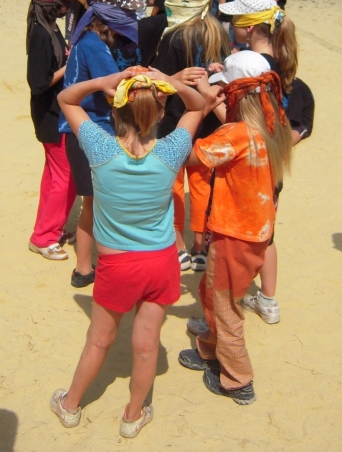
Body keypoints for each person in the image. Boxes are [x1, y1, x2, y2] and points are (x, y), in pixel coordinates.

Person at [51, 68, 218, 437]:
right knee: (146, 347)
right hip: (160, 262)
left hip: (117, 265)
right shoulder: (171, 151)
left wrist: (101, 82)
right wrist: (169, 80)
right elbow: (197, 106)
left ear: (115, 110)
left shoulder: (100, 148)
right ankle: (132, 416)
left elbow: (66, 98)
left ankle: (70, 404)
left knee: (99, 340)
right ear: (160, 113)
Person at [187, 0, 312, 331]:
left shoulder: (255, 67)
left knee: (230, 248)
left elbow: (240, 124)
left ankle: (221, 316)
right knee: (265, 235)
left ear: (251, 27)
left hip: (246, 173)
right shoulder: (275, 66)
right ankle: (267, 300)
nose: (230, 25)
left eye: (235, 20)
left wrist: (208, 95)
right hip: (269, 170)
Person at [177, 52, 293, 404]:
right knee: (213, 293)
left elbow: (183, 155)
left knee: (225, 308)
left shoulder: (234, 134)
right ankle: (209, 350)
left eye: (225, 91)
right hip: (255, 235)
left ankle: (238, 380)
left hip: (233, 236)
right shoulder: (272, 123)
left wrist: (199, 107)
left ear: (237, 94)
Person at [59, 0, 144, 287]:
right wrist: (167, 81)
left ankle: (85, 268)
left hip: (83, 131)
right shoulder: (95, 46)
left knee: (93, 204)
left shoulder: (88, 40)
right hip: (91, 132)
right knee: (99, 205)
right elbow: (117, 90)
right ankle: (93, 267)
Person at [153, 0, 230, 271]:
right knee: (201, 186)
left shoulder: (174, 36)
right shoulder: (218, 32)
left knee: (172, 186)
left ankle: (178, 247)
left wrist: (173, 78)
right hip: (209, 123)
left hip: (175, 122)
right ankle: (200, 247)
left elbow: (158, 82)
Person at [26, 0, 83, 260]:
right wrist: (68, 66)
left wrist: (66, 57)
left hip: (54, 110)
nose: (69, 3)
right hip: (50, 114)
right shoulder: (41, 34)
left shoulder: (51, 27)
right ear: (51, 5)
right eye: (64, 0)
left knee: (53, 175)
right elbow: (38, 82)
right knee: (65, 175)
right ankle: (44, 237)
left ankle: (48, 228)